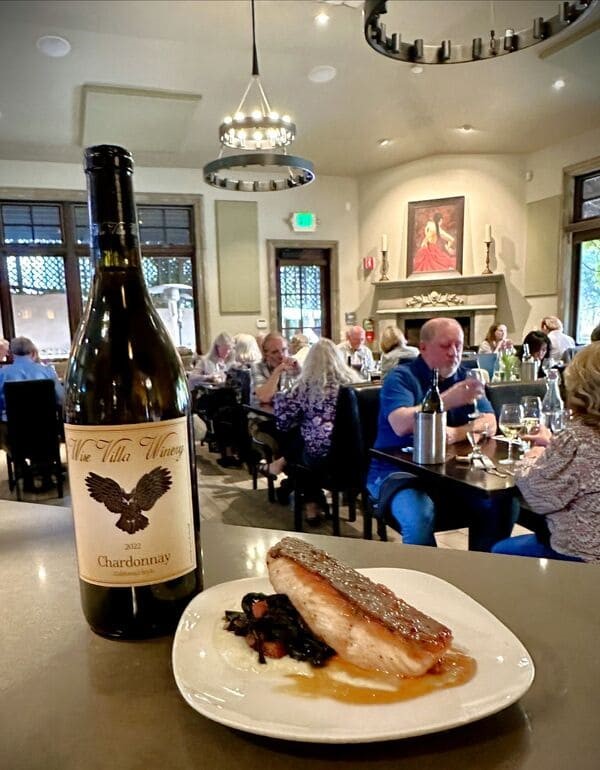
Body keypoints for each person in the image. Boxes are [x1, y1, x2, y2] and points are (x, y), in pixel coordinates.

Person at [367, 318, 516, 551]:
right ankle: (426, 581)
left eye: (459, 345)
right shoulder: (402, 377)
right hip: (397, 471)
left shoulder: (466, 377)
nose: (454, 353)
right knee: (419, 516)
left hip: (452, 474)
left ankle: (482, 571)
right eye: (446, 346)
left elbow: (490, 422)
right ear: (424, 348)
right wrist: (447, 400)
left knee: (502, 502)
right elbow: (400, 424)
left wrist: (457, 433)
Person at [492, 344, 600, 562]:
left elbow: (537, 494)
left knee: (499, 553)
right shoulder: (577, 442)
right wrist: (554, 445)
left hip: (584, 560)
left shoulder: (579, 438)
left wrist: (535, 453)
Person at [273, 338, 359, 523]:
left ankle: (309, 504)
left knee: (301, 446)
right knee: (306, 439)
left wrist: (283, 393)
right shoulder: (355, 384)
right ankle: (310, 500)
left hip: (323, 459)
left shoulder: (305, 387)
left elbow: (283, 422)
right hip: (355, 457)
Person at [248, 332, 301, 485]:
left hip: (288, 419)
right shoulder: (257, 367)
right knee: (291, 436)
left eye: (284, 350)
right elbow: (265, 397)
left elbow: (304, 392)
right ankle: (295, 483)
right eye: (275, 352)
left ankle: (294, 481)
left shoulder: (293, 366)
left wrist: (300, 371)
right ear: (265, 354)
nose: (281, 355)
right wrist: (278, 371)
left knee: (306, 433)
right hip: (262, 420)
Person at [0, 336, 65, 450]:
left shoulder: (2, 374)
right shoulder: (47, 371)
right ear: (32, 351)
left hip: (14, 433)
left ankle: (19, 460)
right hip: (46, 429)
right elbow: (61, 399)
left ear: (11, 353)